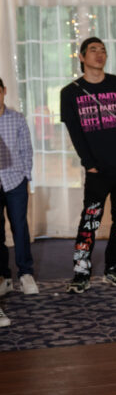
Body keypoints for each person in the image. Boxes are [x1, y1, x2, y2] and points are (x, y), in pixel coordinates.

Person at [60, 37, 116, 293]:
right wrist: (89, 163)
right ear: (82, 57)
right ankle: (81, 271)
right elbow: (75, 133)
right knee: (90, 221)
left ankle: (113, 268)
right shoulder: (70, 92)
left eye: (103, 50)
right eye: (93, 50)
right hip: (98, 171)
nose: (99, 54)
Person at [0, 77, 39, 324]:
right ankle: (4, 277)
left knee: (19, 227)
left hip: (14, 181)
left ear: (3, 91)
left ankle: (25, 274)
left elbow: (26, 150)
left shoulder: (16, 119)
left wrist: (26, 175)